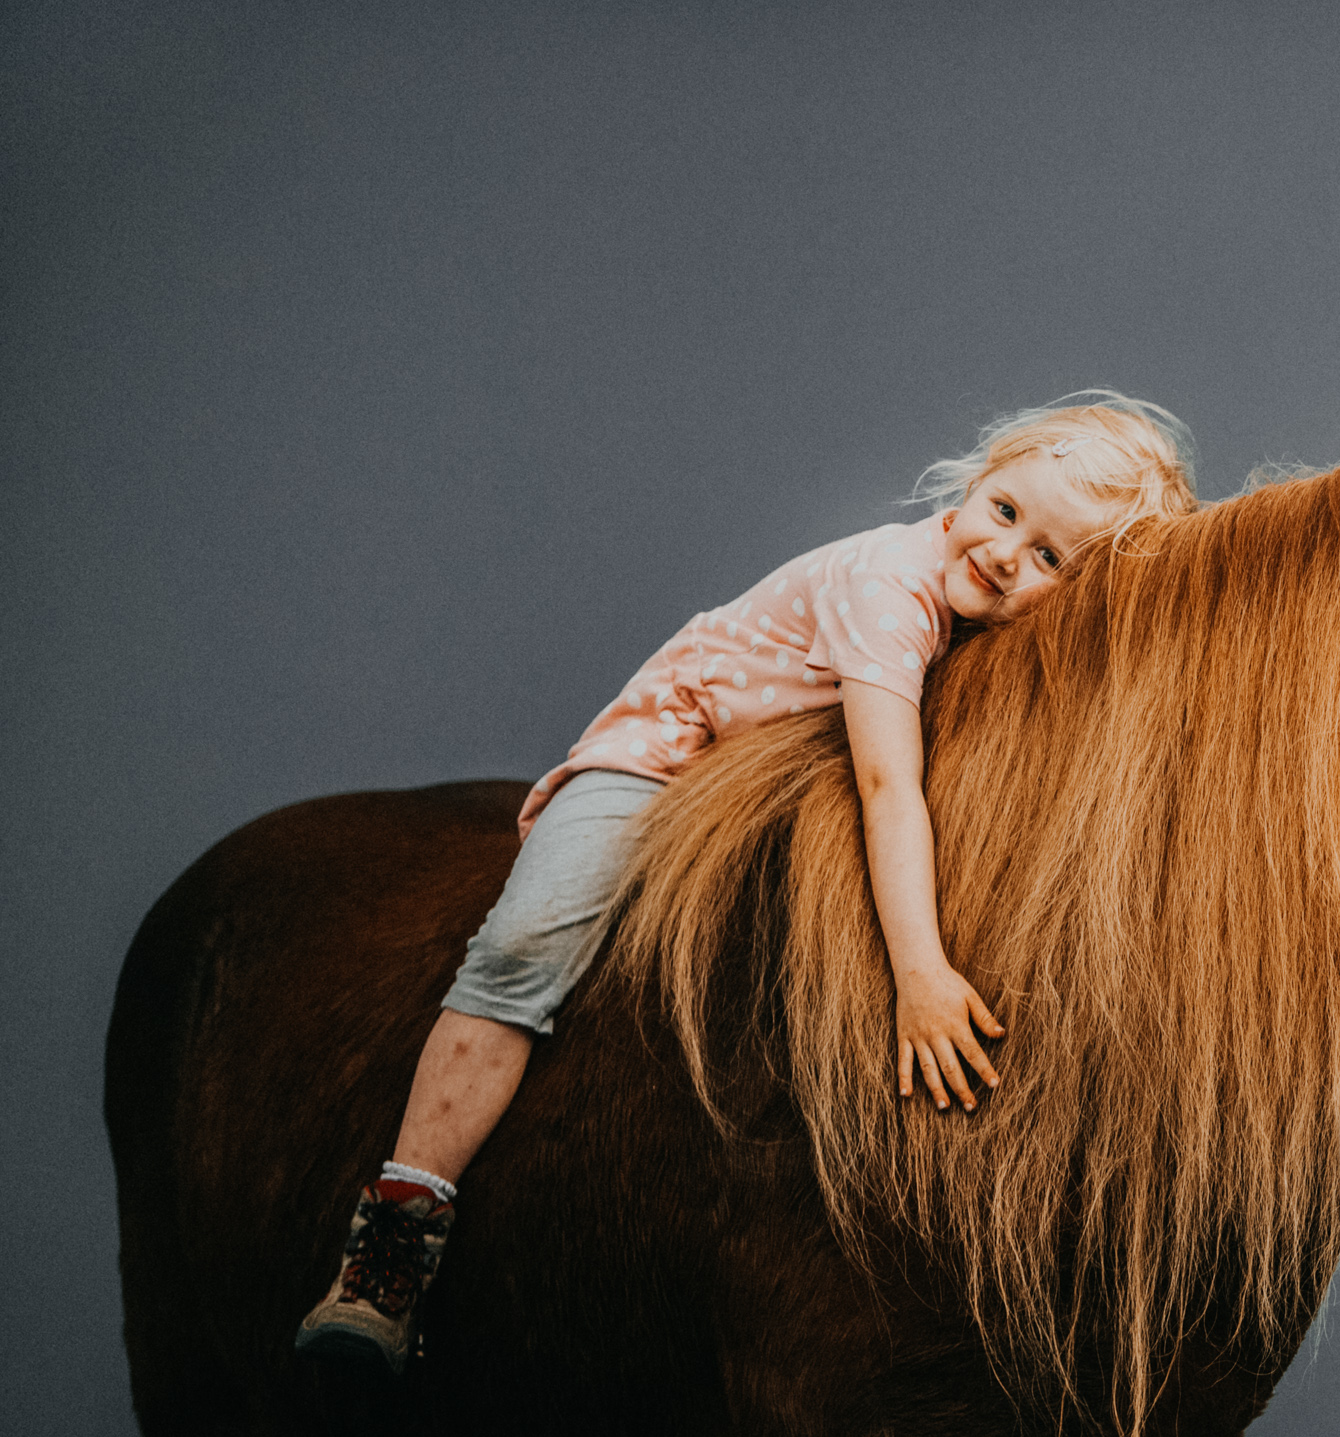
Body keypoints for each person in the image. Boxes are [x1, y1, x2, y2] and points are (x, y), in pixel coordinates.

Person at [295, 393, 1198, 1377]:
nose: (1004, 553)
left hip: (775, 794)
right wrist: (923, 974)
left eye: (1051, 560)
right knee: (522, 951)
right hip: (673, 759)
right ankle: (387, 1248)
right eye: (1007, 510)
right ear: (981, 478)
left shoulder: (1006, 637)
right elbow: (888, 787)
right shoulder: (888, 589)